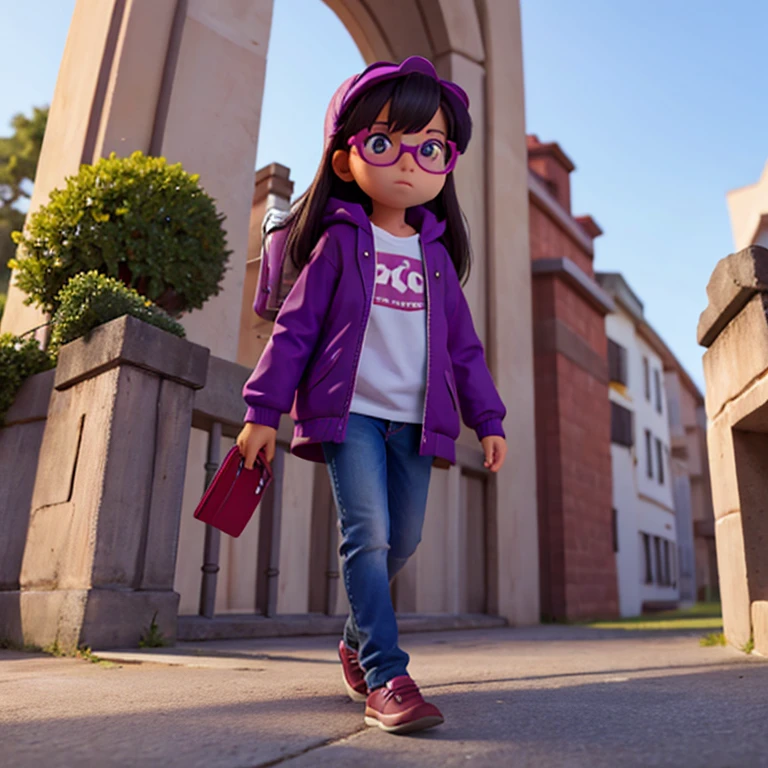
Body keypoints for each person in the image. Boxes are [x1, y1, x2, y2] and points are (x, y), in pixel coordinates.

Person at [237, 55, 507, 735]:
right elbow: (295, 333)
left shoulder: (437, 258)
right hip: (349, 414)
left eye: (430, 148)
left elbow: (463, 350)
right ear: (344, 159)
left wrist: (489, 417)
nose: (408, 163)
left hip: (417, 423)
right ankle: (387, 674)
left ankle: (356, 642)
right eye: (384, 143)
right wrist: (262, 411)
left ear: (447, 162)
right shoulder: (336, 244)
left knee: (403, 538)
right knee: (369, 535)